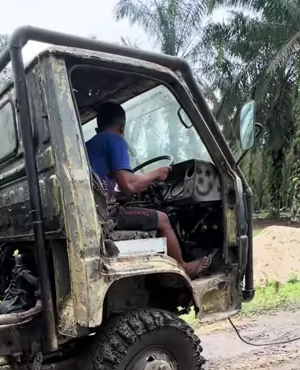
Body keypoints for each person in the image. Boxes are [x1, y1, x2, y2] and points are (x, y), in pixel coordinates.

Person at [85, 102, 212, 279]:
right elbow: (129, 185)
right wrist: (157, 173)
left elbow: (108, 188)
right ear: (122, 127)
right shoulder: (114, 140)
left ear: (98, 127)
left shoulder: (88, 146)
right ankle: (184, 267)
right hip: (107, 216)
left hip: (92, 214)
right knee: (163, 219)